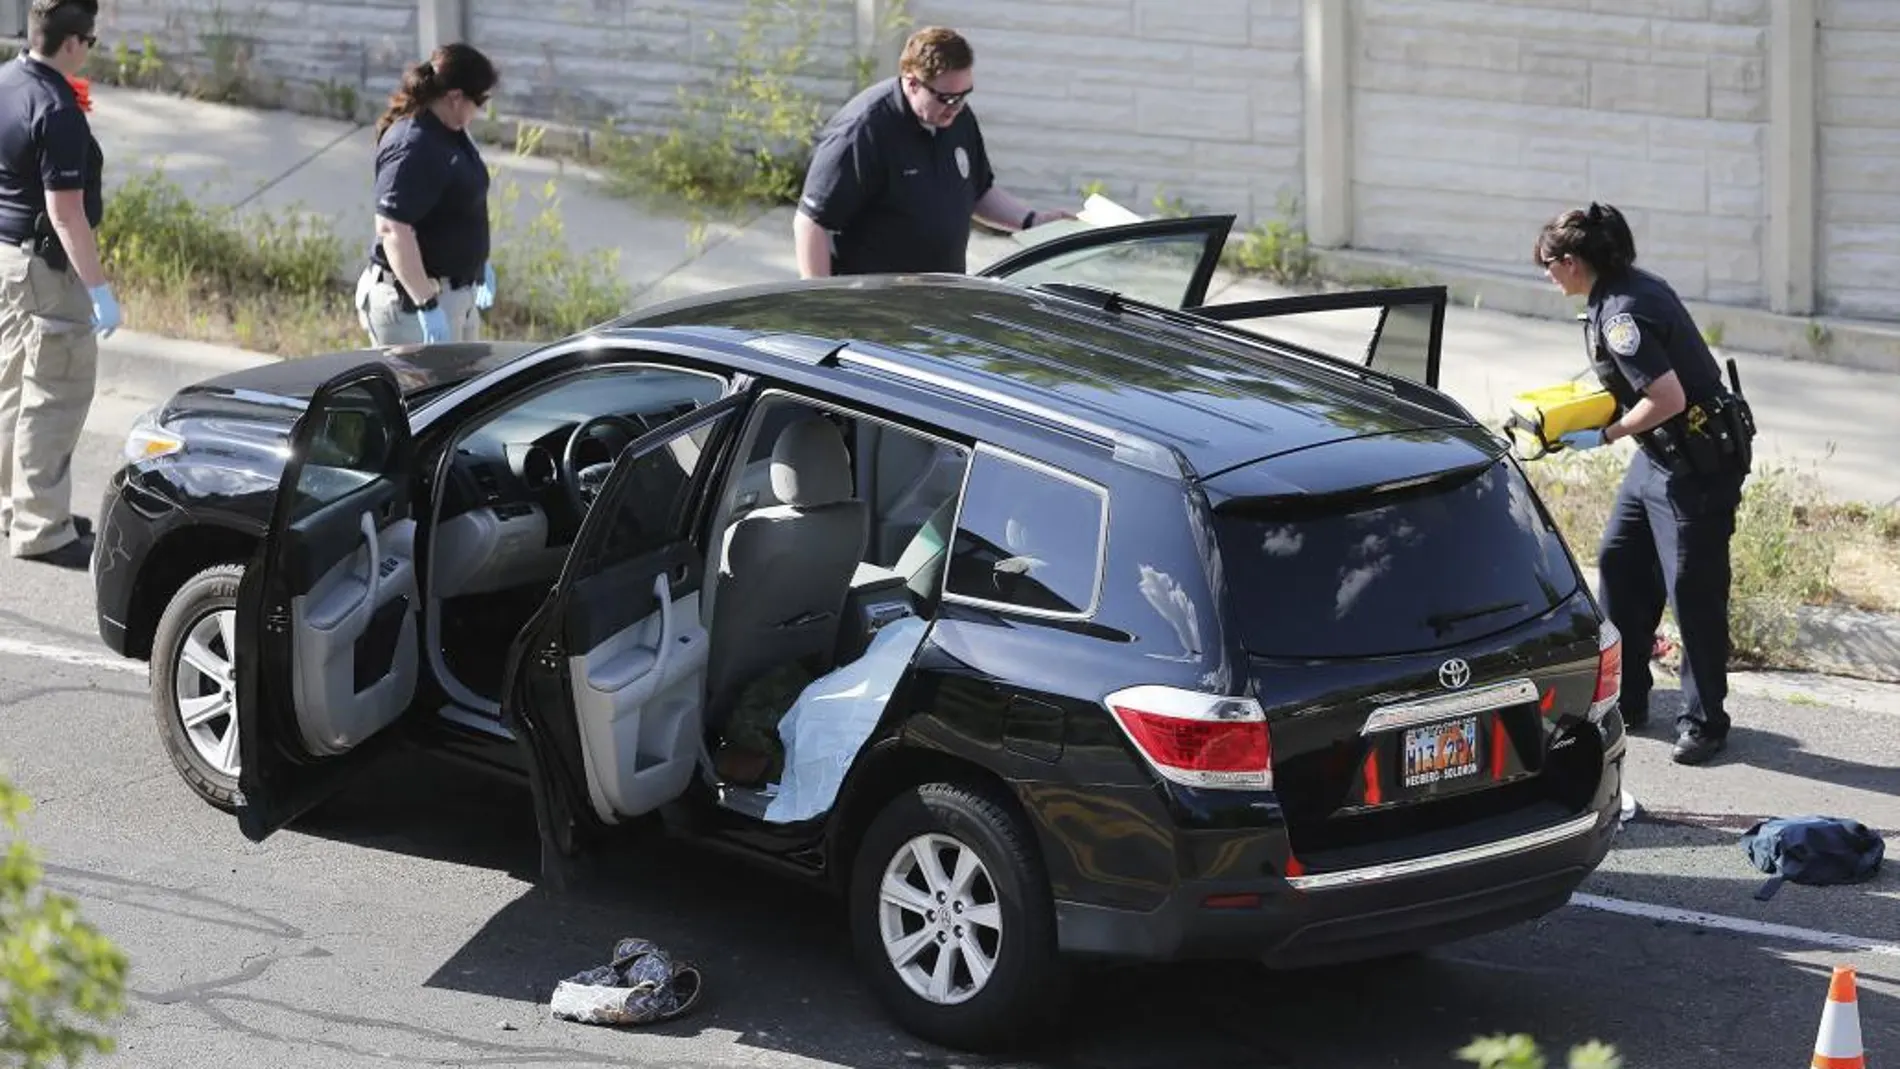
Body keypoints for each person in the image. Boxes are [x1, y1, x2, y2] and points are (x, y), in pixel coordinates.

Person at [1535, 202, 1757, 766]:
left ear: (1574, 262)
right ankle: (1628, 698)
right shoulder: (1619, 292)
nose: (1545, 273)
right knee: (1619, 562)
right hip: (1658, 458)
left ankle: (1706, 720)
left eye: (1548, 262)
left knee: (1693, 591)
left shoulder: (1621, 315)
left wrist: (1604, 436)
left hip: (1696, 467)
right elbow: (1633, 384)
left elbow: (1668, 398)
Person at [793, 26, 1073, 279]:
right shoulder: (862, 131)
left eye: (965, 94)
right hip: (875, 306)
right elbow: (810, 223)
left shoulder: (956, 116)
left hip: (938, 299)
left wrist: (1032, 221)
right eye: (947, 98)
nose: (957, 106)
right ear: (912, 82)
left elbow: (978, 191)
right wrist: (821, 304)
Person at [0, 0, 117, 570]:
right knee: (55, 395)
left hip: (6, 259)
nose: (89, 50)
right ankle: (42, 527)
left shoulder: (7, 80)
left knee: (12, 387)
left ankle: (10, 504)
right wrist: (97, 289)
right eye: (90, 41)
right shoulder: (56, 107)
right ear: (71, 42)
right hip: (46, 270)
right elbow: (67, 212)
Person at [355, 43, 499, 347]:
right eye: (480, 100)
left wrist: (478, 264)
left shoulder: (451, 131)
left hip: (457, 296)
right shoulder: (413, 145)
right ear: (455, 96)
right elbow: (392, 228)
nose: (481, 110)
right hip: (413, 307)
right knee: (426, 396)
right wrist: (427, 304)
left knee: (471, 394)